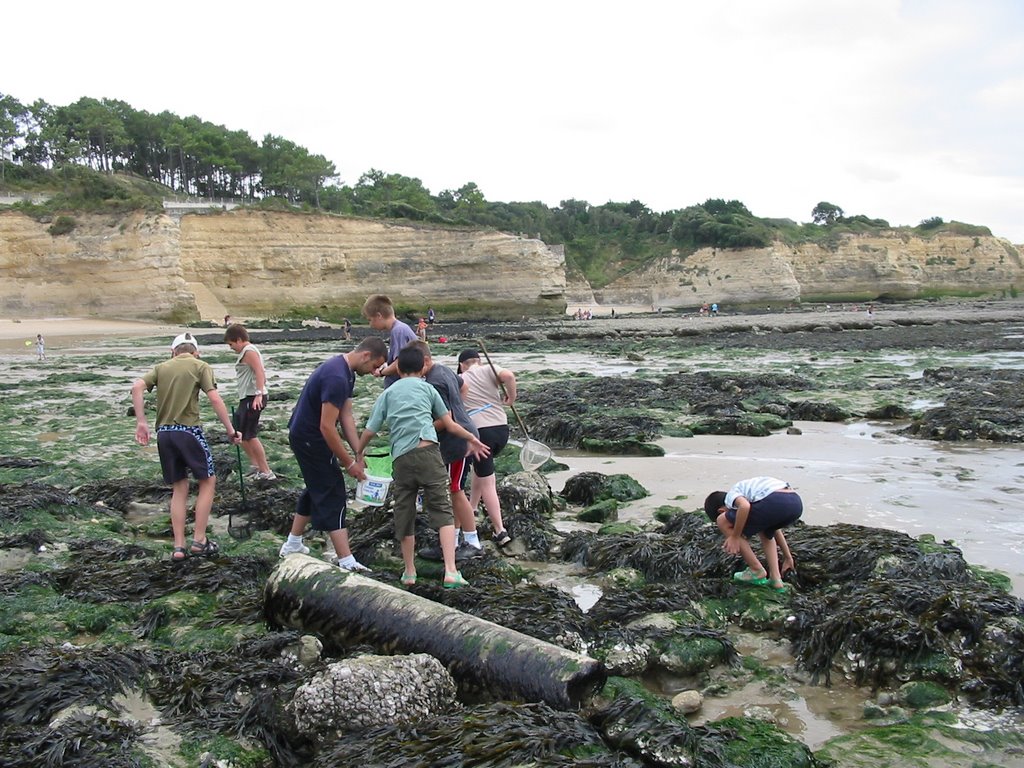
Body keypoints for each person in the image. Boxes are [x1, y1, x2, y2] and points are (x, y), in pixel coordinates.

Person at [356, 345, 489, 588]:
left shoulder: (388, 393)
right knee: (442, 510)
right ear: (422, 367)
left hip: (401, 459)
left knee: (404, 513)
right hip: (428, 453)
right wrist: (472, 439)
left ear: (398, 369)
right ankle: (450, 571)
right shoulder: (428, 389)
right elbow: (449, 423)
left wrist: (358, 453)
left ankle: (409, 572)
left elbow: (370, 430)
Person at [131, 332, 241, 562]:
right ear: (195, 351)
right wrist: (231, 430)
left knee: (179, 488)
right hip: (188, 432)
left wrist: (141, 422)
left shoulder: (161, 367)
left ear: (173, 352)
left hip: (164, 434)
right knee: (207, 481)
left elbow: (137, 387)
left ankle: (179, 546)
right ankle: (199, 539)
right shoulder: (201, 366)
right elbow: (214, 398)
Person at [280, 337, 388, 570]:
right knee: (333, 491)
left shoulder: (346, 372)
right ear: (366, 355)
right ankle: (346, 560)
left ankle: (293, 544)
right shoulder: (336, 376)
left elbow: (346, 415)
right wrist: (349, 464)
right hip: (310, 438)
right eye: (374, 366)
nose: (373, 372)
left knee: (317, 486)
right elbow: (326, 426)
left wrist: (358, 450)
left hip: (309, 436)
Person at [410, 340, 484, 561]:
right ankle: (452, 540)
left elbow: (446, 420)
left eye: (415, 368)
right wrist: (459, 407)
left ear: (425, 361)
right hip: (460, 433)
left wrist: (420, 434)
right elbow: (464, 386)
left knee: (455, 490)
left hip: (456, 441)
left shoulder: (435, 381)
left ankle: (473, 542)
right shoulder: (442, 369)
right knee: (453, 489)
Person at [703, 476, 802, 593]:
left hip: (776, 500)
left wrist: (735, 536)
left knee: (722, 521)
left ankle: (756, 569)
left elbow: (744, 507)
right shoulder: (754, 496)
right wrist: (788, 557)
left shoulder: (732, 495)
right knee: (766, 531)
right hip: (795, 503)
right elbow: (775, 531)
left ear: (722, 511)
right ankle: (776, 579)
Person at [458, 348, 515, 546]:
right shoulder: (489, 369)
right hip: (501, 429)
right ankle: (472, 507)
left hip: (481, 434)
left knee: (488, 482)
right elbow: (508, 376)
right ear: (478, 361)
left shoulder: (462, 377)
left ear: (461, 364)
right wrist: (511, 397)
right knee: (480, 471)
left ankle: (500, 531)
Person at [224, 324, 275, 481]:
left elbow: (260, 372)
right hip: (246, 397)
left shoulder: (249, 351)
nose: (231, 348)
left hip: (253, 397)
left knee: (250, 435)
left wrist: (259, 394)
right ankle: (255, 466)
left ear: (239, 340)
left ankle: (266, 471)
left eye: (231, 344)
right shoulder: (246, 352)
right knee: (238, 432)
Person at [363, 293, 417, 388]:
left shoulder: (398, 331)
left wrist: (381, 372)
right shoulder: (399, 329)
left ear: (379, 316)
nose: (370, 325)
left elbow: (400, 363)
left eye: (370, 320)